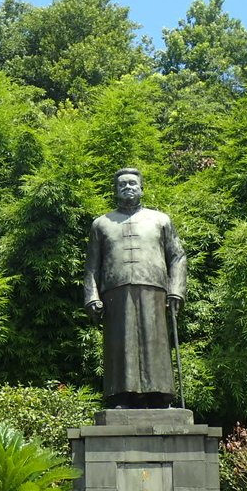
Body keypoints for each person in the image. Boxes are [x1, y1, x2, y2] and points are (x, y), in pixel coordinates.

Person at [84, 168, 187, 408]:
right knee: (121, 343)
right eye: (122, 185)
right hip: (115, 291)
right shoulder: (101, 224)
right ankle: (122, 395)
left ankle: (160, 396)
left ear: (141, 188)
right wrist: (91, 297)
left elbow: (177, 257)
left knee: (156, 343)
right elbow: (91, 267)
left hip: (154, 289)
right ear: (116, 190)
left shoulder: (160, 220)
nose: (128, 187)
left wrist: (176, 290)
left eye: (132, 183)